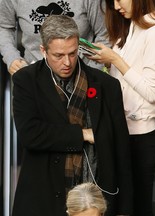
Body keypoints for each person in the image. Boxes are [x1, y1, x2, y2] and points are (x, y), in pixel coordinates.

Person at [12, 15, 133, 216]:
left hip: (95, 198)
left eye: (72, 53)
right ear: (43, 51)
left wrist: (125, 209)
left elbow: (122, 150)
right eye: (58, 55)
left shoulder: (106, 85)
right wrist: (82, 134)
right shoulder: (26, 81)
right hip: (43, 197)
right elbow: (30, 134)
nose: (67, 62)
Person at [86, 0, 155, 215]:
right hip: (120, 130)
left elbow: (152, 92)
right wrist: (109, 62)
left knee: (138, 206)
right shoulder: (130, 26)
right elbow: (126, 81)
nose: (116, 7)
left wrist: (116, 60)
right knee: (120, 205)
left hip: (141, 135)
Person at [0, 0, 108, 75]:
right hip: (34, 78)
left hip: (81, 78)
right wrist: (12, 58)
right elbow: (4, 27)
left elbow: (105, 33)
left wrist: (92, 72)